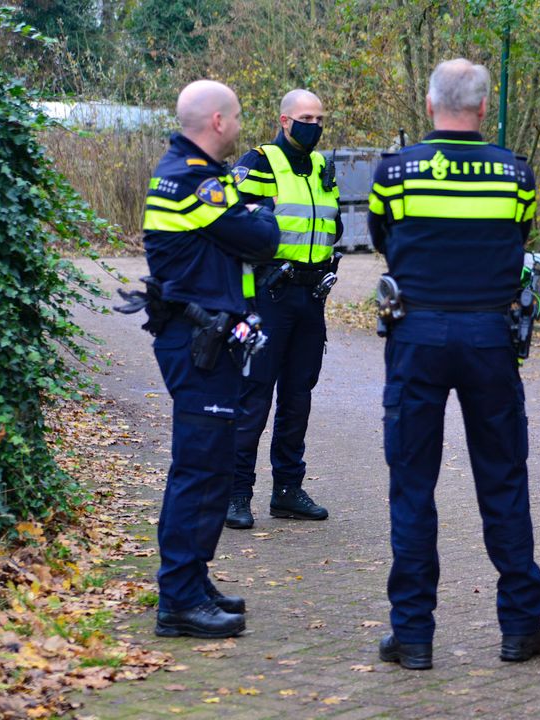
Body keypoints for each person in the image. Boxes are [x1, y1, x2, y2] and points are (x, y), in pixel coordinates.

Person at [368, 58, 540, 671]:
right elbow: (519, 239)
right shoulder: (516, 173)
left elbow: (383, 240)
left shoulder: (395, 171)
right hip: (489, 337)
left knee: (412, 485)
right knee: (503, 480)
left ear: (429, 105)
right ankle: (520, 628)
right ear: (482, 107)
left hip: (416, 334)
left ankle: (413, 635)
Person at [139, 80, 280, 637]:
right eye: (237, 116)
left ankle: (192, 581)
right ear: (218, 121)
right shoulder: (193, 180)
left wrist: (246, 216)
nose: (241, 124)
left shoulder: (195, 174)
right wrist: (258, 214)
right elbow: (262, 239)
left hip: (207, 338)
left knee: (211, 464)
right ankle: (178, 600)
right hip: (197, 341)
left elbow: (240, 234)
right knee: (198, 467)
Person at [225, 89, 342, 529]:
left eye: (319, 118)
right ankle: (236, 494)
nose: (314, 125)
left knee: (298, 398)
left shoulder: (322, 167)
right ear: (285, 120)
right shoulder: (259, 163)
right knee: (253, 397)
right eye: (306, 118)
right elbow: (232, 225)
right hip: (268, 296)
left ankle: (288, 490)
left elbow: (330, 225)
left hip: (311, 298)